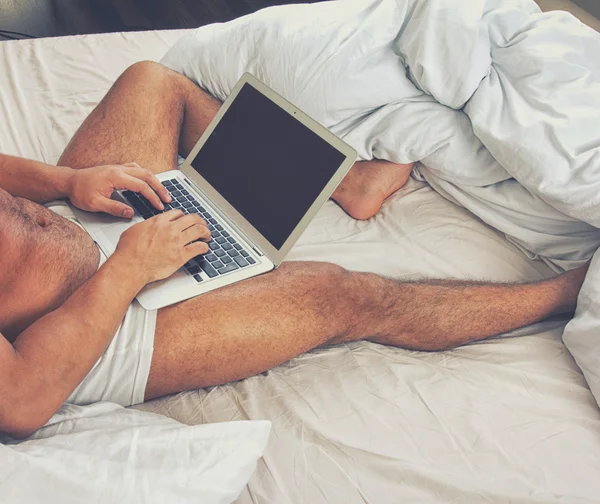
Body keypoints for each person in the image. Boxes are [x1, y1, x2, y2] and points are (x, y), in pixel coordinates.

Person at [0, 62, 587, 438]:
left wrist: (66, 183)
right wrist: (129, 269)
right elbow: (22, 400)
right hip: (93, 336)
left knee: (151, 83)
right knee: (342, 294)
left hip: (79, 220)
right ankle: (571, 289)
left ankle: (350, 183)